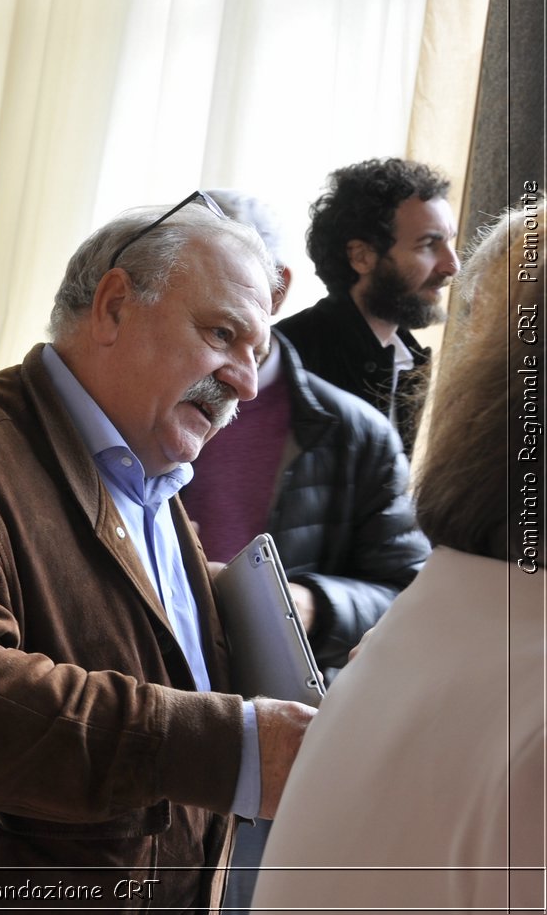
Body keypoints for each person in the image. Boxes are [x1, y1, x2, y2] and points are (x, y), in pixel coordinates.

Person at [0, 194, 317, 909]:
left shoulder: (155, 485)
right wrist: (228, 746)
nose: (244, 380)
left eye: (257, 355)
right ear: (115, 306)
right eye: (221, 334)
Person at [253, 207, 545, 912]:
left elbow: (392, 573)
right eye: (427, 244)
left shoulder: (444, 610)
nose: (445, 266)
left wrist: (319, 602)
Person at [179, 191, 430, 913]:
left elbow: (409, 590)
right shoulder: (134, 404)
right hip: (143, 719)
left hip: (275, 740)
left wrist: (311, 601)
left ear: (279, 288)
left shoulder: (354, 432)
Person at [274, 158, 458, 453]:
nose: (452, 265)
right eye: (428, 245)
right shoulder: (283, 358)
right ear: (361, 256)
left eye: (450, 242)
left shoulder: (409, 359)